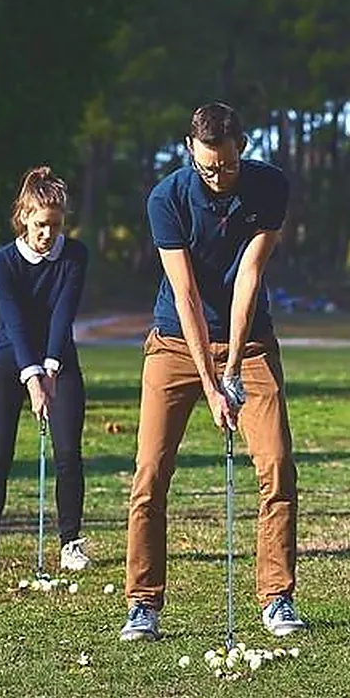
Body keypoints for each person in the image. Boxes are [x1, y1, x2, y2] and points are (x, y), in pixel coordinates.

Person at [121, 102, 307, 642]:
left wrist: (231, 372)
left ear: (241, 147)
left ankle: (277, 598)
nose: (218, 176)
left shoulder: (269, 187)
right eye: (207, 167)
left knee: (276, 464)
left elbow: (248, 278)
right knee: (150, 474)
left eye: (225, 165)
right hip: (175, 343)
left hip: (249, 344)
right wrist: (209, 383)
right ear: (190, 150)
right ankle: (143, 604)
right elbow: (184, 292)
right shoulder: (166, 198)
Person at [0, 167, 90, 574]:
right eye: (40, 225)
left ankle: (71, 542)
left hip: (60, 360)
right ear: (23, 216)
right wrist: (33, 377)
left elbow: (62, 315)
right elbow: (15, 323)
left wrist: (51, 370)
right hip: (9, 361)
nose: (48, 234)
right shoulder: (2, 263)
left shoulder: (74, 256)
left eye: (55, 226)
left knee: (68, 454)